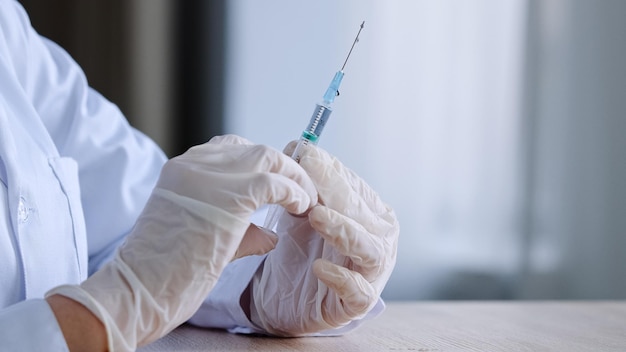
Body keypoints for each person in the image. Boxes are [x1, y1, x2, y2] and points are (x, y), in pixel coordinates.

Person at [0, 1, 399, 351]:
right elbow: (134, 278)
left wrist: (258, 285)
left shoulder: (8, 33)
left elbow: (143, 231)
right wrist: (99, 315)